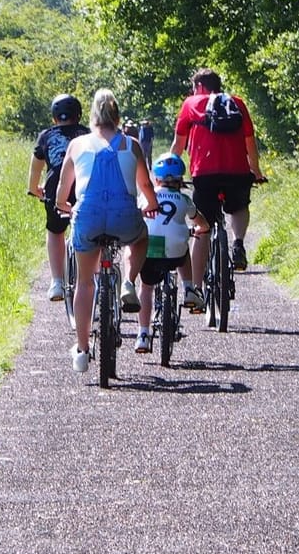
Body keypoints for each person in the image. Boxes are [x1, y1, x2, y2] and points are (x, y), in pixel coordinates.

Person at [56, 89, 158, 373]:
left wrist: (65, 205)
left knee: (85, 282)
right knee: (139, 239)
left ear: (92, 116)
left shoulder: (77, 145)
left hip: (88, 217)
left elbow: (63, 191)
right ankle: (128, 281)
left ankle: (82, 350)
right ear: (117, 116)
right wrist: (151, 205)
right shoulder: (132, 144)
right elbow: (146, 186)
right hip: (124, 216)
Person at [170, 68, 265, 273]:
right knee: (239, 207)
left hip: (204, 173)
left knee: (202, 226)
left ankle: (195, 287)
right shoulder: (237, 103)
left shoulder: (191, 104)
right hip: (237, 171)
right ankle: (238, 243)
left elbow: (178, 146)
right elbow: (250, 142)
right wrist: (255, 171)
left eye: (194, 88)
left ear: (200, 86)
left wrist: (169, 176)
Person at [135, 153, 208, 353]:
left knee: (147, 288)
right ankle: (189, 289)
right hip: (175, 250)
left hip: (150, 248)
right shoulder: (184, 199)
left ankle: (142, 334)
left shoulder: (147, 195)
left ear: (156, 179)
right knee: (184, 248)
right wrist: (200, 230)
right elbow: (201, 223)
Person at [28, 93, 90, 302]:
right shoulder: (87, 134)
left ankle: (56, 282)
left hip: (56, 187)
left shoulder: (46, 136)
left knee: (55, 231)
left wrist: (33, 188)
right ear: (78, 115)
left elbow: (36, 167)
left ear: (54, 117)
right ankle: (94, 276)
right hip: (83, 185)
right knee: (90, 231)